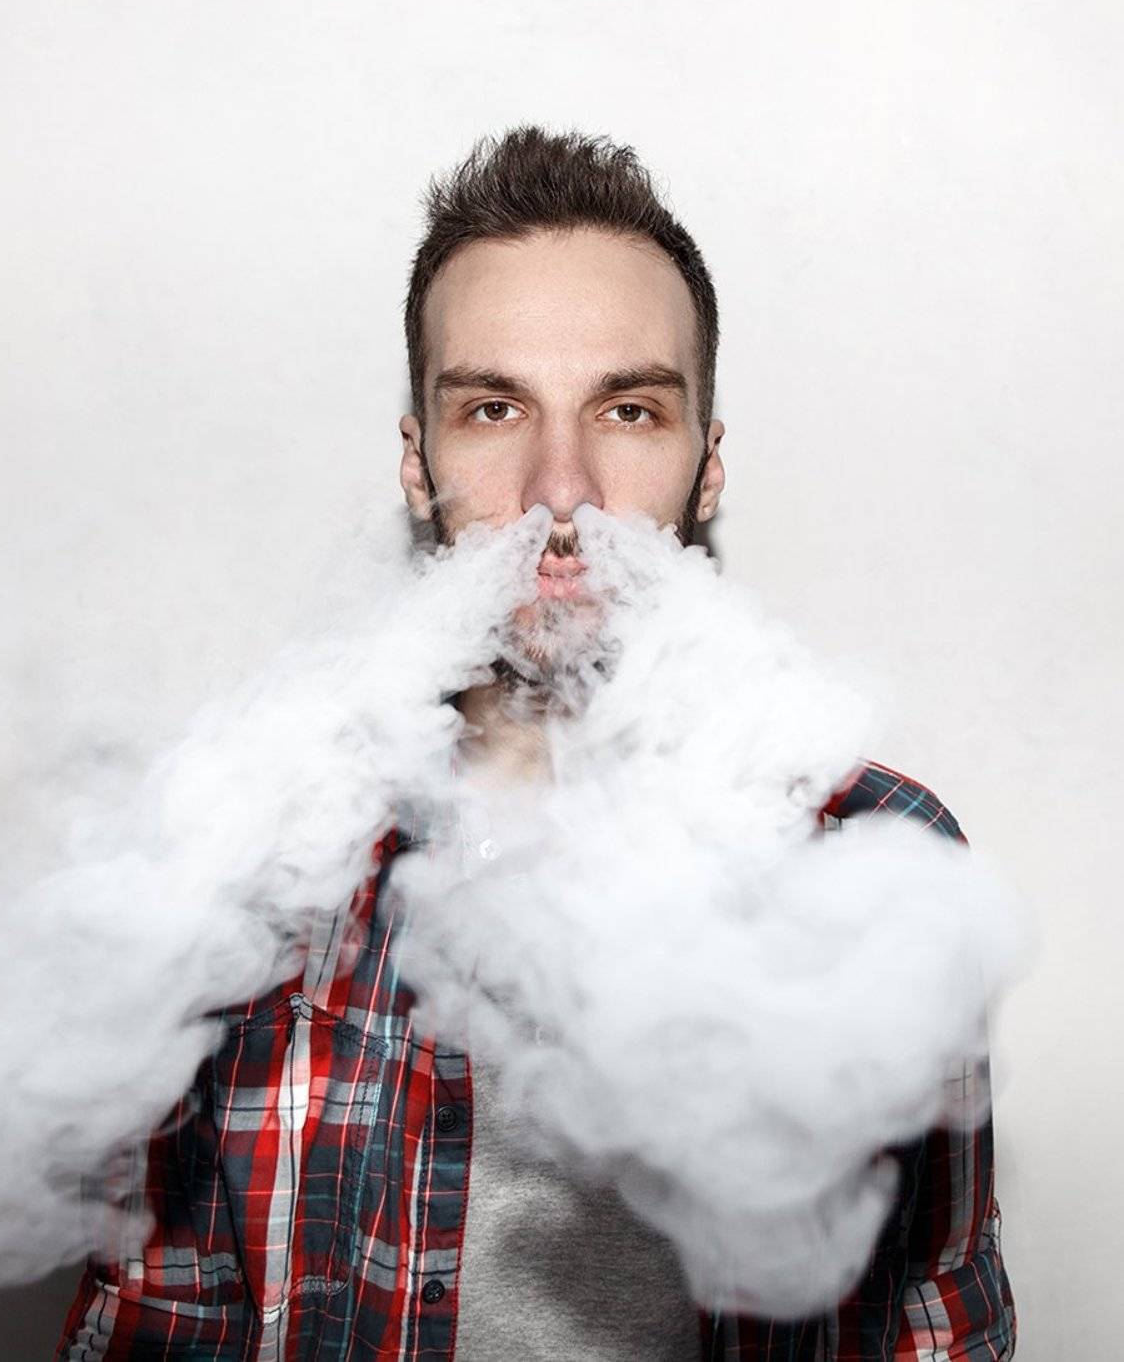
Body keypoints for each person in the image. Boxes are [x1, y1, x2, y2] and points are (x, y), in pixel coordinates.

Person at [53, 128, 1014, 1360]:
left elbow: (931, 1331)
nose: (563, 490)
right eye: (494, 409)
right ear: (420, 465)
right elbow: (157, 1322)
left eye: (630, 409)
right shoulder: (245, 849)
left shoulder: (876, 856)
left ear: (707, 468)